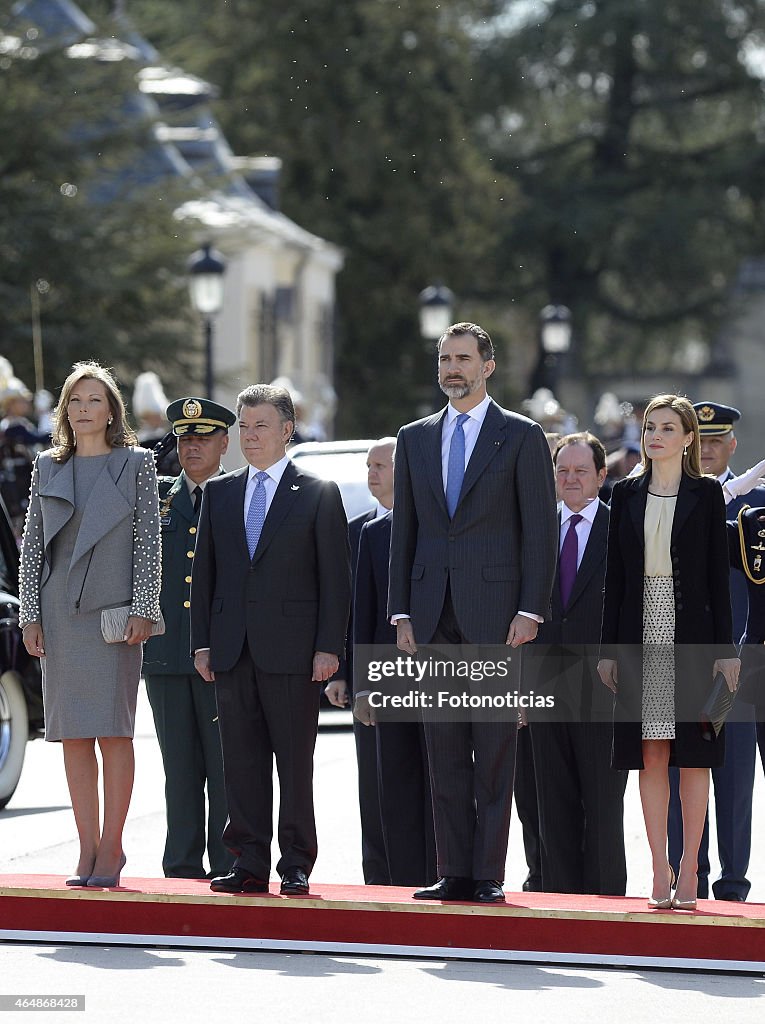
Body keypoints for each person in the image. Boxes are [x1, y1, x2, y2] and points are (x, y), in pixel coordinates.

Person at [388, 321, 558, 903]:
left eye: (462, 358)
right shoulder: (413, 438)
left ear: (488, 366)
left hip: (496, 615)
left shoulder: (521, 436)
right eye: (444, 358)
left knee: (493, 752)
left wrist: (532, 609)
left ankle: (486, 874)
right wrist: (400, 612)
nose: (451, 369)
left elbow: (540, 530)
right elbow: (403, 531)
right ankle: (453, 870)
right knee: (444, 751)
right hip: (432, 612)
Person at [191, 384, 350, 896]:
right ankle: (249, 860)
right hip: (233, 649)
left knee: (294, 762)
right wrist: (202, 644)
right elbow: (206, 576)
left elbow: (335, 579)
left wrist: (330, 647)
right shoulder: (219, 492)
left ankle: (297, 862)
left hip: (294, 652)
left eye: (261, 426)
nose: (250, 435)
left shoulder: (319, 492)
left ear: (287, 430)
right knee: (241, 762)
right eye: (244, 426)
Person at [18, 361, 161, 888]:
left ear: (111, 409)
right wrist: (31, 614)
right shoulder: (46, 468)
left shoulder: (136, 464)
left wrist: (146, 606)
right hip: (59, 618)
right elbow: (32, 547)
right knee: (73, 737)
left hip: (114, 617)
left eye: (94, 400)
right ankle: (86, 850)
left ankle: (113, 847)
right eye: (75, 401)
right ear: (64, 410)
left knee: (114, 734)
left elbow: (149, 540)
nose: (83, 410)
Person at [598, 394, 739, 911]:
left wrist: (727, 651)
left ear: (686, 439)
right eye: (649, 426)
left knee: (695, 758)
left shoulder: (707, 496)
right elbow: (614, 579)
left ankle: (690, 870)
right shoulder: (625, 496)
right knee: (651, 753)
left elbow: (718, 584)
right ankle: (658, 867)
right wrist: (608, 650)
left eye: (665, 428)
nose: (654, 435)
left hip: (696, 637)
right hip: (640, 632)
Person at [667, 401, 765, 902]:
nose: (705, 450)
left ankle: (731, 884)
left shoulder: (756, 505)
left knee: (732, 778)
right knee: (680, 769)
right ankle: (688, 877)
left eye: (714, 441)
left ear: (731, 445)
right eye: (697, 440)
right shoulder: (666, 495)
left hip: (740, 661)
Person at [529, 432, 628, 895]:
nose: (570, 479)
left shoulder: (622, 528)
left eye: (580, 471)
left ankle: (606, 907)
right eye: (562, 470)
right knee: (554, 803)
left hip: (604, 686)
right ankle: (561, 905)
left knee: (604, 807)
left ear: (601, 476)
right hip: (545, 683)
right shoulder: (534, 531)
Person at [143, 397, 237, 880]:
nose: (192, 447)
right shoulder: (153, 498)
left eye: (202, 438)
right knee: (179, 771)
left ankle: (228, 864)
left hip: (221, 657)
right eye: (184, 438)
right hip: (164, 654)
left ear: (225, 443)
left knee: (225, 771)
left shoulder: (239, 496)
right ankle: (180, 866)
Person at [324, 438, 396, 885]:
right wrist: (345, 674)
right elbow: (348, 609)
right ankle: (378, 876)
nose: (372, 474)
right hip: (370, 677)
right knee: (372, 784)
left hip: (419, 675)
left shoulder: (426, 527)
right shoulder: (356, 530)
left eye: (381, 466)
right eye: (368, 466)